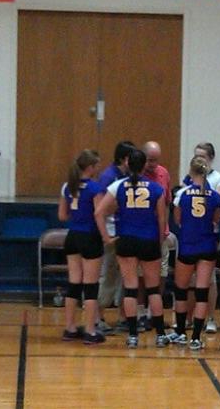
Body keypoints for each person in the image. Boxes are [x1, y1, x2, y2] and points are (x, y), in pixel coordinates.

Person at [95, 149, 169, 349]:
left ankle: (133, 336)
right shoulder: (156, 188)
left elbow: (99, 212)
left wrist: (106, 237)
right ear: (144, 165)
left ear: (128, 164)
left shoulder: (118, 186)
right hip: (149, 240)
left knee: (130, 288)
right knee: (153, 289)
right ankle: (160, 335)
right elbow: (162, 219)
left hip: (126, 240)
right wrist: (159, 242)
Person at [168, 156, 220, 350]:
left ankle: (181, 332)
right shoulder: (214, 195)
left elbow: (177, 220)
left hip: (188, 246)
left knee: (181, 291)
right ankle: (197, 338)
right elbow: (216, 220)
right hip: (207, 246)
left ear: (191, 172)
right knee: (202, 293)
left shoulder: (182, 193)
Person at [58, 149, 105, 344]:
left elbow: (62, 216)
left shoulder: (68, 186)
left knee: (74, 283)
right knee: (91, 286)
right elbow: (99, 215)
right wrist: (106, 237)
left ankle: (69, 328)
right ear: (91, 167)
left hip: (72, 236)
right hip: (90, 237)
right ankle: (90, 330)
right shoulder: (95, 188)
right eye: (97, 165)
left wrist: (77, 217)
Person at [182, 142, 220, 334]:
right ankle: (188, 318)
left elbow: (217, 206)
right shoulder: (188, 178)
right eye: (196, 155)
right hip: (190, 234)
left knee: (209, 279)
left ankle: (210, 318)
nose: (199, 159)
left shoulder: (218, 179)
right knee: (190, 280)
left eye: (202, 156)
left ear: (211, 158)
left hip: (209, 233)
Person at [96, 141, 135, 333]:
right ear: (124, 159)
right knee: (108, 274)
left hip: (124, 231)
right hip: (110, 230)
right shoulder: (108, 177)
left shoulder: (129, 176)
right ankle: (98, 317)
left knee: (125, 276)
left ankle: (123, 316)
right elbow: (102, 207)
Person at [136, 141, 172, 330]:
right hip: (143, 234)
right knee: (141, 276)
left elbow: (167, 204)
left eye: (156, 160)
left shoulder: (163, 173)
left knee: (162, 274)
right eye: (150, 160)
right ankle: (140, 313)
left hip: (161, 233)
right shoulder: (137, 176)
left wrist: (164, 229)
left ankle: (154, 314)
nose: (153, 164)